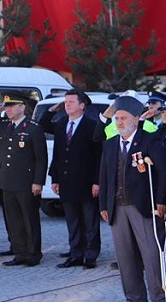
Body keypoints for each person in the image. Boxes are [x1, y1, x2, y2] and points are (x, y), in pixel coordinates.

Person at [98, 95, 166, 302]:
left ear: (136, 119)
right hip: (117, 207)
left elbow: (163, 173)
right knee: (125, 256)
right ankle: (135, 298)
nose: (119, 122)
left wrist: (160, 201)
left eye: (123, 118)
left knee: (151, 254)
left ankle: (160, 299)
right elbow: (104, 176)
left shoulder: (149, 141)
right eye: (117, 118)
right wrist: (104, 204)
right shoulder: (110, 144)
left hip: (144, 206)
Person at [49, 90, 102, 269]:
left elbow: (98, 156)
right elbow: (57, 153)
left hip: (87, 182)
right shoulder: (61, 123)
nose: (67, 104)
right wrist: (54, 178)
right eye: (65, 102)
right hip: (67, 182)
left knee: (90, 221)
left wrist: (97, 181)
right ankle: (75, 254)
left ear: (82, 105)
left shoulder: (92, 125)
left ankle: (91, 255)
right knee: (72, 222)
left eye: (71, 101)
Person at [0, 92, 47, 267]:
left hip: (27, 182)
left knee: (29, 219)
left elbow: (41, 158)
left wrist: (38, 182)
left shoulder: (33, 128)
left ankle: (33, 254)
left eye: (11, 106)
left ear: (22, 107)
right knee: (13, 220)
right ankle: (19, 253)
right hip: (7, 181)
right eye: (6, 106)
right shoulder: (4, 126)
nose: (8, 109)